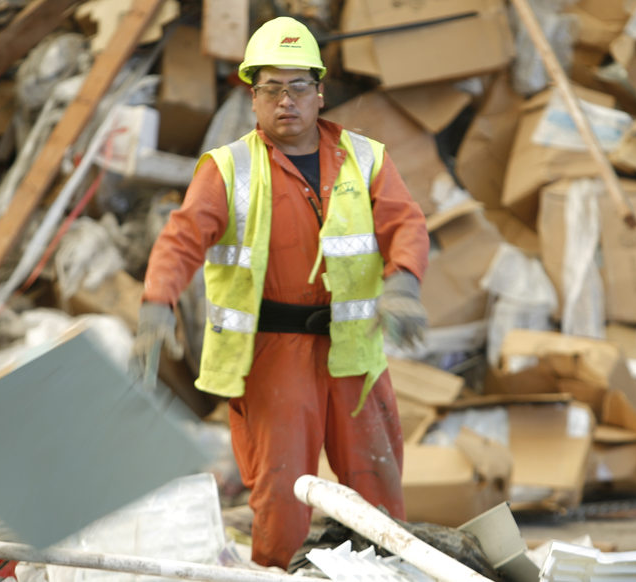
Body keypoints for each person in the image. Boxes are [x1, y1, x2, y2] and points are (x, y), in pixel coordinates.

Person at [132, 16, 430, 569]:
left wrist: (405, 281)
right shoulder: (229, 169)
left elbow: (405, 225)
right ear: (253, 98)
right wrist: (156, 303)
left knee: (379, 492)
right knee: (283, 501)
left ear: (320, 94)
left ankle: (388, 576)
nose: (285, 100)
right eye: (271, 87)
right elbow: (181, 238)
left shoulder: (366, 159)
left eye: (297, 87)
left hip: (354, 352)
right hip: (274, 357)